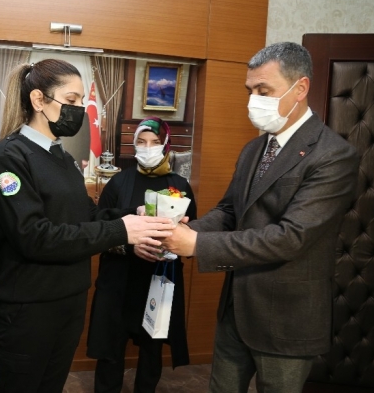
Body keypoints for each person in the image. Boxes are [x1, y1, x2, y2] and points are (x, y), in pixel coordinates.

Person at [153, 42, 359, 392]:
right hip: (236, 307)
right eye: (250, 90)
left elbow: (291, 237)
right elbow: (229, 211)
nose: (253, 101)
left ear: (300, 88)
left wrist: (197, 244)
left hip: (287, 318)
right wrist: (178, 232)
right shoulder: (254, 148)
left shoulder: (333, 155)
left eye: (264, 91)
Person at [0, 59, 175, 393]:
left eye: (81, 100)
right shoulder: (9, 158)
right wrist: (121, 230)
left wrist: (137, 215)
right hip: (30, 308)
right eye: (71, 100)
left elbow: (88, 216)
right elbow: (34, 237)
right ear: (39, 100)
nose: (80, 109)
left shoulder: (62, 157)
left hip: (69, 302)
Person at [87, 116, 197, 393]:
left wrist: (170, 245)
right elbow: (98, 230)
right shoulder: (118, 183)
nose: (148, 148)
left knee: (152, 347)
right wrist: (130, 245)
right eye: (141, 142)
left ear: (166, 145)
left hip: (158, 281)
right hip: (119, 280)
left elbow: (190, 232)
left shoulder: (180, 186)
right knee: (111, 347)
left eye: (155, 142)